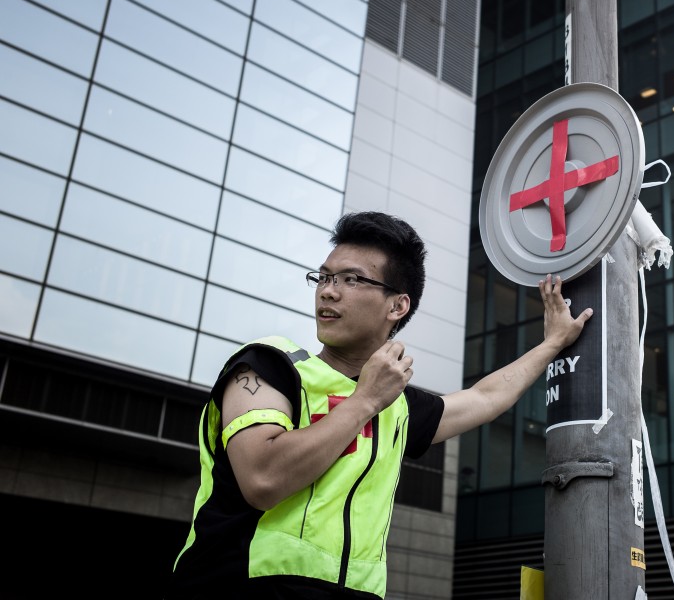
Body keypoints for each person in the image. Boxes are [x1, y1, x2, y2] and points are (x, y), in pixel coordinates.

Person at [165, 210, 591, 599]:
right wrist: (365, 399)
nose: (329, 292)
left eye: (351, 280)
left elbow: (486, 396)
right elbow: (262, 478)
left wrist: (553, 341)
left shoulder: (399, 408)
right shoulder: (268, 366)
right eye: (324, 277)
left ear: (398, 305)